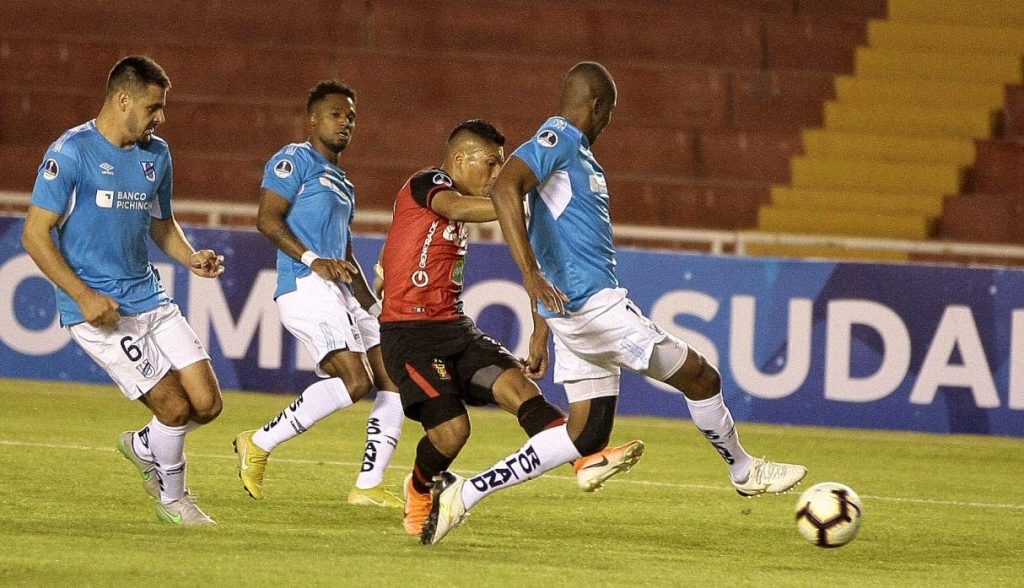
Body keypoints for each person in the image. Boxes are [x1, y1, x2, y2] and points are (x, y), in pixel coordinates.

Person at [466, 61, 808, 530]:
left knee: (585, 435)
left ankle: (464, 492)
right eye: (609, 113)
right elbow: (507, 186)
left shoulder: (578, 157)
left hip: (572, 315)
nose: (608, 124)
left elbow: (552, 242)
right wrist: (526, 275)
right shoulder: (557, 139)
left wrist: (542, 326)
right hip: (597, 310)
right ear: (597, 105)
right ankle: (744, 470)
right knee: (702, 378)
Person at [376, 119, 642, 545]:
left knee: (522, 393)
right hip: (409, 334)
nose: (498, 174)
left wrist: (540, 332)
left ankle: (586, 459)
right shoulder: (429, 182)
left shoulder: (487, 201)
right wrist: (516, 199)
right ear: (460, 159)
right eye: (491, 163)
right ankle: (419, 487)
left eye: (503, 165)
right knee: (452, 433)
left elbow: (536, 270)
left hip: (455, 329)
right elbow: (456, 209)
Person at [22, 55, 225, 525]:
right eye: (154, 107)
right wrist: (84, 295)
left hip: (149, 297)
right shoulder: (71, 153)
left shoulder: (157, 155)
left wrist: (191, 257)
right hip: (99, 311)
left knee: (208, 405)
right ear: (123, 100)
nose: (162, 117)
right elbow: (34, 234)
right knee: (174, 407)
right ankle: (173, 499)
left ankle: (142, 444)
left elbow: (163, 224)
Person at [232, 80, 405, 508]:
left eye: (351, 116)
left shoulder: (343, 182)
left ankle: (367, 485)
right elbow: (267, 220)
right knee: (355, 381)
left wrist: (374, 306)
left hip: (339, 289)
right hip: (304, 285)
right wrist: (312, 260)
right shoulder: (294, 160)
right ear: (312, 119)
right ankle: (258, 442)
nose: (345, 122)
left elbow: (344, 253)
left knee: (395, 380)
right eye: (335, 114)